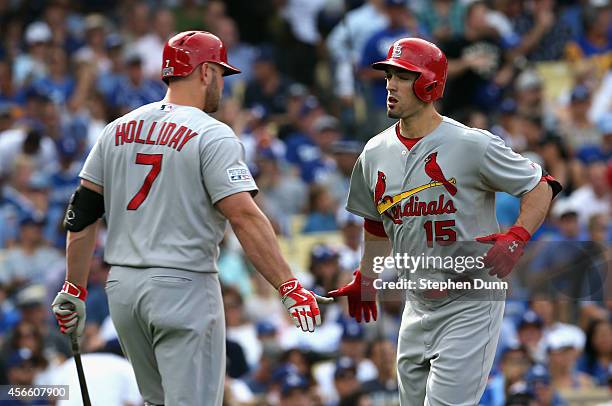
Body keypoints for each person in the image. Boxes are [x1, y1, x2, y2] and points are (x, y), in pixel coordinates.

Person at [49, 31, 330, 406]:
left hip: (124, 291)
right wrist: (288, 285)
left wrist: (74, 288)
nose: (222, 85)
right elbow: (244, 216)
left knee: (157, 402)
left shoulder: (116, 129)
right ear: (205, 71)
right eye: (221, 74)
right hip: (183, 286)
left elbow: (81, 214)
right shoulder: (212, 134)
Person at [327, 38, 561, 405]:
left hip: (470, 298)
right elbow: (377, 222)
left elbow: (541, 186)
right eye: (389, 75)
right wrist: (367, 275)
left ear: (430, 84)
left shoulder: (471, 144)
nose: (390, 84)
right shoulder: (374, 152)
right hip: (416, 301)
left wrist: (516, 236)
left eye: (402, 76)